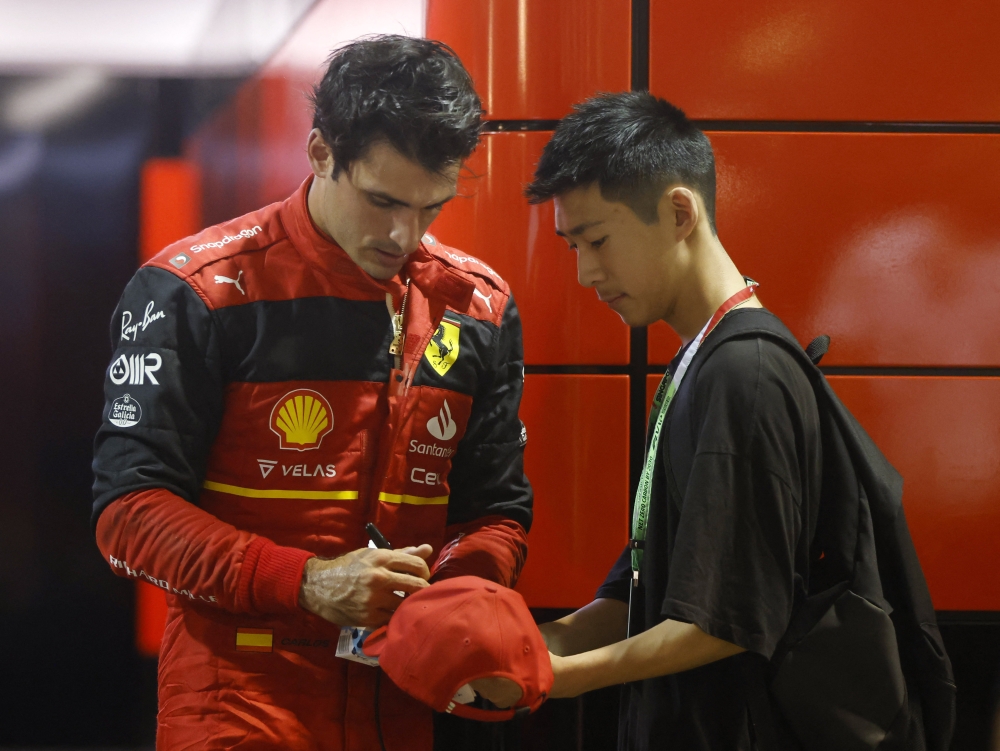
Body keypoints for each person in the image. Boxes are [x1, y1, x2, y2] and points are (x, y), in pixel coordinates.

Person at [92, 35, 532, 751]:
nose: (405, 233)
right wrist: (306, 581)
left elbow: (497, 508)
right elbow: (128, 512)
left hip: (408, 704)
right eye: (383, 200)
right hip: (236, 703)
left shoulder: (476, 305)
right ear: (321, 152)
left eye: (431, 207)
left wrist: (461, 594)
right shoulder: (194, 290)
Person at [525, 92, 822, 749]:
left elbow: (725, 619)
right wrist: (530, 647)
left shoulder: (745, 371)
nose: (585, 272)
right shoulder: (701, 358)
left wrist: (564, 676)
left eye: (598, 240)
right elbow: (650, 587)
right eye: (573, 245)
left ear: (679, 211)